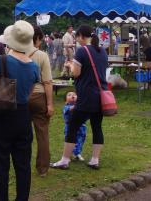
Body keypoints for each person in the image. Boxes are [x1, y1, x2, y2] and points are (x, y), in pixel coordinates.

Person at [0, 20, 40, 201]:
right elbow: (31, 92)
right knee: (23, 164)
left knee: (1, 163)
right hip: (23, 116)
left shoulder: (2, 61)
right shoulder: (34, 66)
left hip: (2, 115)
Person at [52, 25, 107, 170]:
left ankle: (65, 160)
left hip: (86, 95)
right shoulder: (102, 51)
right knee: (97, 127)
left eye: (77, 37)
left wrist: (70, 66)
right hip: (100, 95)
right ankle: (95, 160)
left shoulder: (82, 51)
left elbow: (76, 73)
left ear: (81, 36)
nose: (76, 40)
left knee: (72, 126)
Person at [27, 25, 54, 177]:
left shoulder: (12, 52)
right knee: (42, 134)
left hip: (20, 97)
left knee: (22, 134)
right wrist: (50, 104)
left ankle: (22, 164)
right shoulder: (42, 55)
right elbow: (48, 82)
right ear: (37, 38)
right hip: (38, 96)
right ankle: (42, 168)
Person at [62, 92, 86, 161]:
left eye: (74, 94)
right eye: (69, 95)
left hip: (81, 127)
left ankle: (77, 153)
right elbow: (71, 109)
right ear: (66, 100)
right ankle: (69, 154)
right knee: (70, 140)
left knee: (80, 140)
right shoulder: (66, 107)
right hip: (69, 127)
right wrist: (78, 103)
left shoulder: (79, 106)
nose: (72, 95)